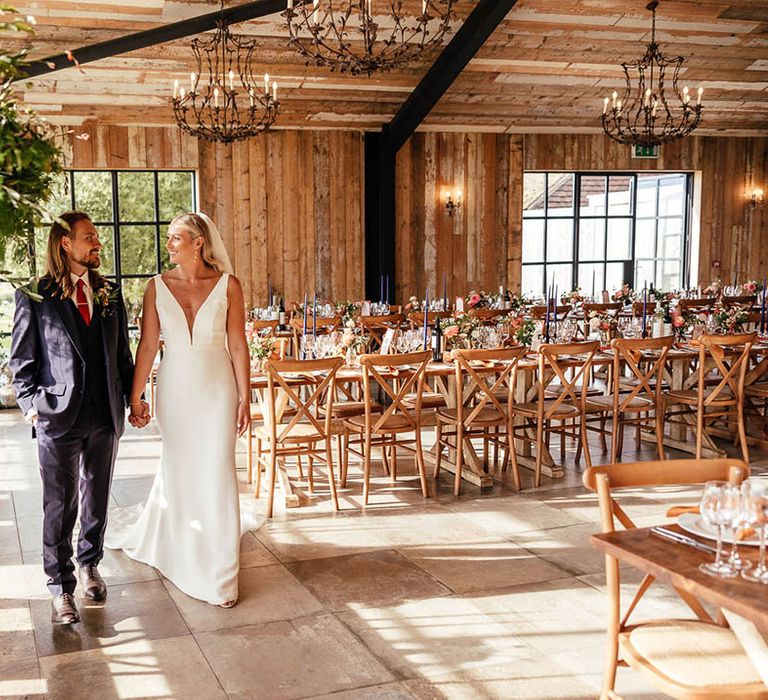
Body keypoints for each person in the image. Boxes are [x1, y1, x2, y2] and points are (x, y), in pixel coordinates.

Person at [10, 211, 146, 625]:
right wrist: (33, 406)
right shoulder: (35, 294)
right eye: (90, 238)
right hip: (56, 416)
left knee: (97, 496)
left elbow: (122, 355)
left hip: (104, 412)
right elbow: (20, 362)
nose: (98, 244)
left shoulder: (109, 293)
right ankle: (60, 587)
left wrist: (133, 400)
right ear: (66, 243)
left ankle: (89, 565)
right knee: (59, 504)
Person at [108, 212, 250, 608]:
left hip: (218, 387)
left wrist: (244, 397)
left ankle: (221, 572)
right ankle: (183, 542)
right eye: (169, 238)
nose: (169, 244)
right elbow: (148, 346)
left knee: (219, 468)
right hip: (175, 388)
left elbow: (238, 345)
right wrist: (136, 397)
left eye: (176, 237)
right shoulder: (156, 287)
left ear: (198, 242)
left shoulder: (229, 286)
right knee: (180, 464)